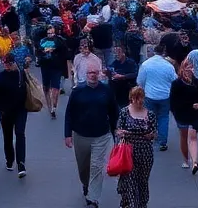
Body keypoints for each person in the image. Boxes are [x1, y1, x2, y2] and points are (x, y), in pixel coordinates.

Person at [64, 66, 119, 208]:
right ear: (86, 74)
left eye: (95, 72)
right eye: (90, 72)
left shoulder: (106, 90)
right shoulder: (77, 91)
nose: (93, 75)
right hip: (81, 135)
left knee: (96, 166)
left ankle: (93, 198)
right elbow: (69, 114)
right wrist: (67, 134)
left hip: (101, 135)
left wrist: (116, 131)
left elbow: (114, 112)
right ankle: (85, 184)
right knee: (83, 167)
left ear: (99, 74)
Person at [116, 86, 157, 208]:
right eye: (136, 98)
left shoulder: (150, 114)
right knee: (131, 180)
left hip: (145, 153)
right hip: (129, 151)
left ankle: (142, 203)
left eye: (141, 98)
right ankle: (133, 204)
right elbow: (118, 130)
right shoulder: (124, 112)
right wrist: (122, 133)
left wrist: (151, 135)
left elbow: (154, 132)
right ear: (131, 98)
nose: (139, 101)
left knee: (143, 181)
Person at [0, 53, 28, 176]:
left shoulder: (21, 74)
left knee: (20, 133)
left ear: (14, 63)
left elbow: (28, 89)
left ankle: (21, 163)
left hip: (21, 110)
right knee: (7, 137)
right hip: (5, 111)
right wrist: (1, 109)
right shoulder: (0, 77)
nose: (7, 66)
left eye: (9, 64)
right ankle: (9, 159)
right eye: (5, 64)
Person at [136, 45, 177, 151]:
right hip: (165, 96)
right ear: (164, 52)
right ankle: (163, 142)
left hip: (150, 95)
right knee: (163, 117)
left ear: (154, 52)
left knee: (150, 117)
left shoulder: (146, 64)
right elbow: (174, 80)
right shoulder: (168, 66)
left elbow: (140, 81)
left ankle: (150, 138)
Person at [170, 60, 198, 173]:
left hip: (195, 114)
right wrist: (175, 113)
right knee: (184, 137)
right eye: (187, 68)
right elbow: (172, 101)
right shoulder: (176, 84)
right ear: (182, 69)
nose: (189, 70)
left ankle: (194, 162)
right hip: (182, 114)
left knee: (192, 136)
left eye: (191, 68)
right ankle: (186, 159)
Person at [38, 24, 66, 117]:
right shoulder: (43, 41)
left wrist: (54, 49)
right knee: (46, 87)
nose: (50, 35)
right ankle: (49, 106)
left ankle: (54, 107)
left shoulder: (59, 40)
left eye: (52, 33)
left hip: (56, 66)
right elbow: (39, 50)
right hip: (45, 66)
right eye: (48, 33)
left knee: (55, 87)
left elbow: (63, 49)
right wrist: (43, 51)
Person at [107, 44, 139, 109]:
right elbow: (110, 68)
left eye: (118, 52)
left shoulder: (131, 62)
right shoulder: (116, 62)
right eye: (115, 53)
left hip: (127, 87)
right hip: (117, 88)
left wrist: (123, 76)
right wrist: (107, 71)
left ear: (123, 53)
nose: (116, 54)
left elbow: (135, 74)